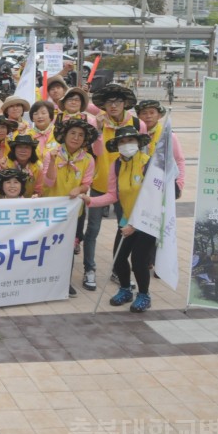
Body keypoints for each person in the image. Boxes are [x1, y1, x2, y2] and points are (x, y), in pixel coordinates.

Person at [82, 125, 154, 312]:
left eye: (130, 140)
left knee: (139, 262)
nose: (126, 144)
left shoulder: (149, 164)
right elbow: (113, 195)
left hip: (145, 223)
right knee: (119, 258)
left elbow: (152, 200)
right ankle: (125, 289)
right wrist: (90, 200)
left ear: (138, 142)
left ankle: (144, 294)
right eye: (122, 141)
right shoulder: (117, 165)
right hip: (126, 220)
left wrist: (135, 225)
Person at [85, 83, 145, 291]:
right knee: (92, 230)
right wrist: (98, 130)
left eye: (118, 102)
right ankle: (89, 269)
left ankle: (118, 271)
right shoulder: (97, 122)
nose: (113, 106)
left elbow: (141, 155)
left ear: (125, 103)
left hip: (127, 187)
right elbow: (97, 151)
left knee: (124, 229)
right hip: (100, 184)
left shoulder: (137, 123)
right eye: (109, 102)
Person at [43, 117, 98, 297]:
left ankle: (64, 281)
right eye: (72, 133)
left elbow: (86, 183)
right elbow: (49, 182)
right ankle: (44, 279)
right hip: (51, 210)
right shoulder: (51, 154)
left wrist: (79, 188)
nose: (76, 138)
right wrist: (52, 162)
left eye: (81, 135)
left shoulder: (88, 159)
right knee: (47, 246)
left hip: (75, 212)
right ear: (64, 135)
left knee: (68, 247)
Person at [135, 99, 186, 197]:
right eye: (144, 113)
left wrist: (179, 185)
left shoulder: (168, 136)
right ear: (138, 116)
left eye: (152, 112)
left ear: (158, 115)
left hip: (161, 184)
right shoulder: (133, 135)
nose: (148, 116)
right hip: (137, 186)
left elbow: (179, 160)